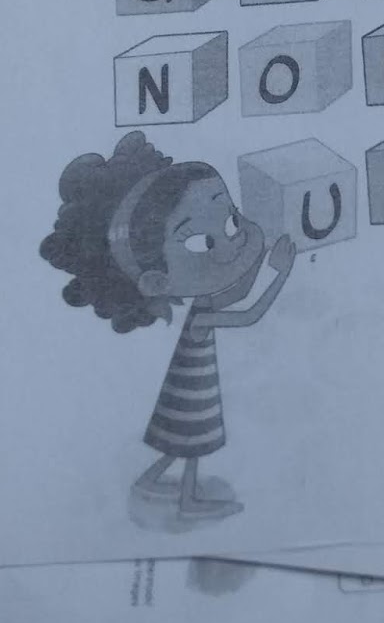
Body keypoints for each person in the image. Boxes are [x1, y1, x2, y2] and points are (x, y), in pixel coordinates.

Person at [39, 131, 295, 524]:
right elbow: (248, 314)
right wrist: (281, 274)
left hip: (192, 391)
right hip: (190, 394)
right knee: (188, 446)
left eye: (230, 221)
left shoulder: (203, 304)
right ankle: (175, 495)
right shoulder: (201, 318)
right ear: (158, 282)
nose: (230, 243)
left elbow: (237, 291)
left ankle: (158, 485)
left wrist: (258, 251)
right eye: (202, 242)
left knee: (183, 446)